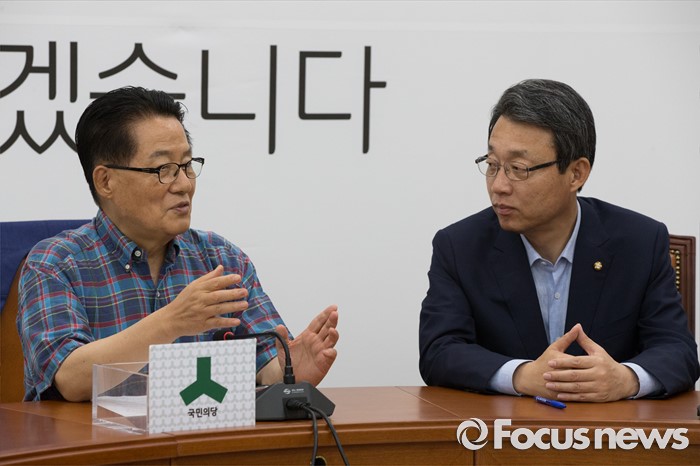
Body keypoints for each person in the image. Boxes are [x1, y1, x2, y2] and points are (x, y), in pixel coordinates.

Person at [17, 86, 339, 402]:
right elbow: (70, 378)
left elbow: (266, 366)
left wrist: (290, 371)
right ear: (106, 181)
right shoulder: (55, 264)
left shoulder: (221, 259)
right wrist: (172, 322)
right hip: (93, 438)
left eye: (186, 165)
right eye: (164, 169)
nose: (184, 184)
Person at [419, 79, 699, 402]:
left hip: (609, 430)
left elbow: (678, 351)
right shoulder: (459, 247)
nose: (498, 186)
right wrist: (521, 376)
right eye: (493, 165)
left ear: (576, 173)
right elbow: (439, 351)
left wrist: (625, 379)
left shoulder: (640, 243)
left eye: (518, 168)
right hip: (506, 430)